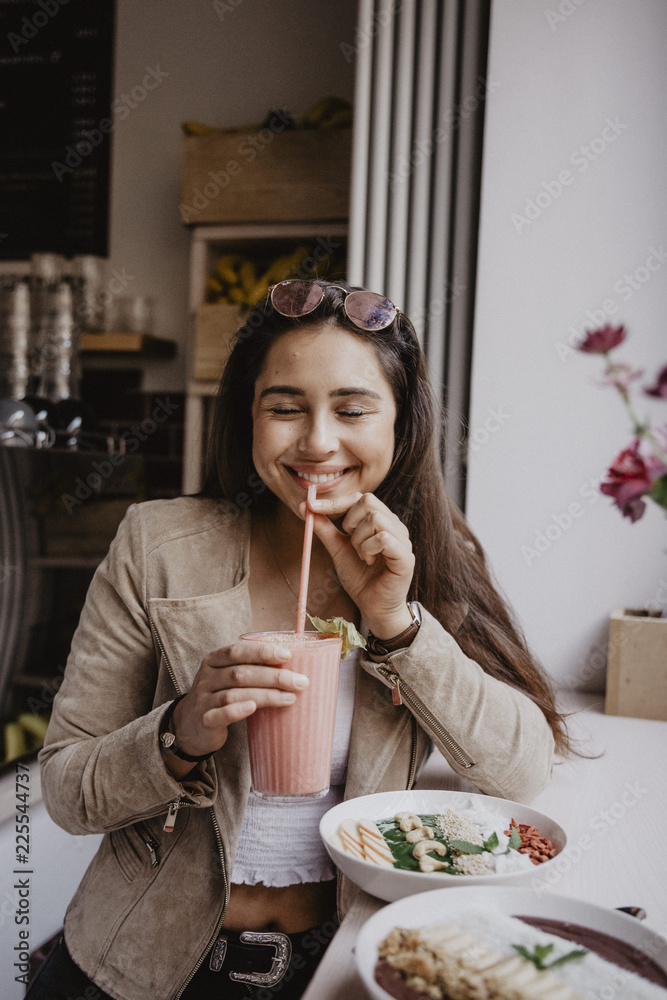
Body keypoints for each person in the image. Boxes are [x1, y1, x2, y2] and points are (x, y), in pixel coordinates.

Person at [29, 279, 570, 1000]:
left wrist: (395, 624)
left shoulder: (429, 564)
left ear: (401, 426)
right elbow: (66, 791)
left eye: (351, 409)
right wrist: (179, 731)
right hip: (133, 970)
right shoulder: (158, 544)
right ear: (248, 417)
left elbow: (520, 772)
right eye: (284, 408)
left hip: (338, 967)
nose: (317, 441)